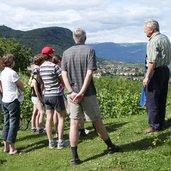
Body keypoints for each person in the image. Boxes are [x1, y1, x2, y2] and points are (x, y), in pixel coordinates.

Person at [61, 28, 120, 165]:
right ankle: (111, 146)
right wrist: (81, 92)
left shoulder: (66, 53)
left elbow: (64, 74)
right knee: (96, 120)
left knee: (74, 123)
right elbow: (89, 73)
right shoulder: (90, 51)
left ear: (73, 38)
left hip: (72, 94)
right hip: (87, 93)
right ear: (85, 38)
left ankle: (75, 157)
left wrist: (71, 92)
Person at [143, 19, 171, 133]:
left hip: (156, 72)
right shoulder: (165, 38)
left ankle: (154, 125)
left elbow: (152, 61)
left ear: (151, 30)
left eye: (145, 29)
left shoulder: (153, 41)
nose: (144, 31)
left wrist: (147, 76)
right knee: (161, 98)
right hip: (165, 70)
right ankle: (161, 122)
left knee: (152, 99)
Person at [40, 47, 69, 149]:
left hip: (46, 95)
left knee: (48, 119)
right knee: (61, 117)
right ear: (51, 55)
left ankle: (50, 142)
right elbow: (62, 80)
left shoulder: (40, 68)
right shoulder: (54, 67)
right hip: (56, 94)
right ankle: (60, 142)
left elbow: (42, 82)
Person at [1, 53, 24, 154]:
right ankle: (12, 148)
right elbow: (21, 86)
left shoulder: (2, 72)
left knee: (6, 123)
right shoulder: (12, 73)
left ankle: (5, 147)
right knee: (13, 124)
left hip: (4, 99)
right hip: (12, 100)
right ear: (12, 62)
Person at [30, 54, 45, 133]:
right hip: (36, 96)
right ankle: (40, 128)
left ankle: (33, 127)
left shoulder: (33, 77)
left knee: (35, 112)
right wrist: (41, 99)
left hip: (34, 96)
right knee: (42, 112)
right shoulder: (36, 80)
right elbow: (37, 92)